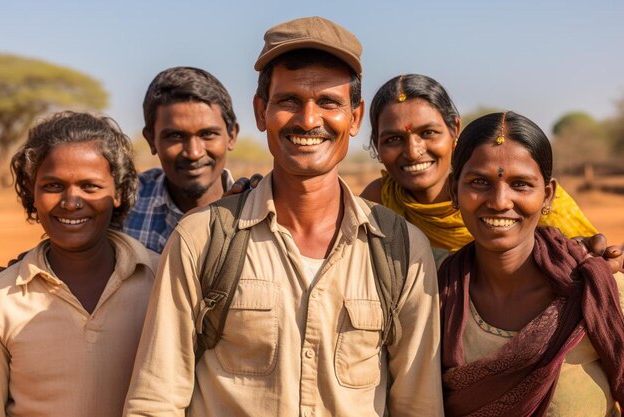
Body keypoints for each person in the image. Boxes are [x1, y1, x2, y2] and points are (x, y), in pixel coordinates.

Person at [124, 16, 443, 416]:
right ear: (261, 112)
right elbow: (155, 401)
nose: (309, 120)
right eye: (289, 100)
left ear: (356, 118)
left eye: (329, 102)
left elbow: (419, 406)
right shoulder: (201, 239)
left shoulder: (401, 249)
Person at [438, 111, 623, 416]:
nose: (499, 201)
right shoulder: (433, 296)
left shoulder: (601, 292)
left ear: (547, 196)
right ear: (453, 191)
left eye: (521, 184)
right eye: (479, 182)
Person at [0, 112, 158, 417]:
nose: (71, 201)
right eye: (53, 186)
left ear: (119, 193)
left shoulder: (163, 281)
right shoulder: (3, 298)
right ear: (32, 192)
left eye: (90, 186)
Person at [361, 74, 605, 256]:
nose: (413, 152)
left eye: (428, 133)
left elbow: (589, 255)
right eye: (393, 139)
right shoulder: (377, 203)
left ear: (454, 130)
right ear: (376, 144)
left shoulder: (532, 197)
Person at [124, 66, 244, 253]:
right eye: (175, 136)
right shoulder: (123, 204)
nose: (194, 153)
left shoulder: (257, 209)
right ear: (151, 140)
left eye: (208, 134)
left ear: (231, 136)